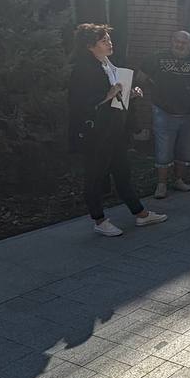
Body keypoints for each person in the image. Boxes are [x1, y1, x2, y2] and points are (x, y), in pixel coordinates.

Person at [67, 23, 167, 236]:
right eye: (104, 40)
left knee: (123, 174)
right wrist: (108, 94)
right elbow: (79, 102)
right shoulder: (83, 70)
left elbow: (117, 98)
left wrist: (131, 94)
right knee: (95, 177)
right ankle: (99, 220)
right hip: (96, 133)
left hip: (115, 130)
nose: (110, 43)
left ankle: (140, 214)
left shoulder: (110, 65)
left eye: (109, 39)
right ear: (89, 46)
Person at [139, 29, 190, 199]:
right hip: (164, 111)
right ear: (171, 41)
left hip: (189, 112)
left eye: (184, 42)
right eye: (177, 41)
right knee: (163, 150)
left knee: (185, 149)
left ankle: (179, 180)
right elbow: (141, 77)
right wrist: (157, 89)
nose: (180, 45)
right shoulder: (157, 57)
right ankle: (161, 184)